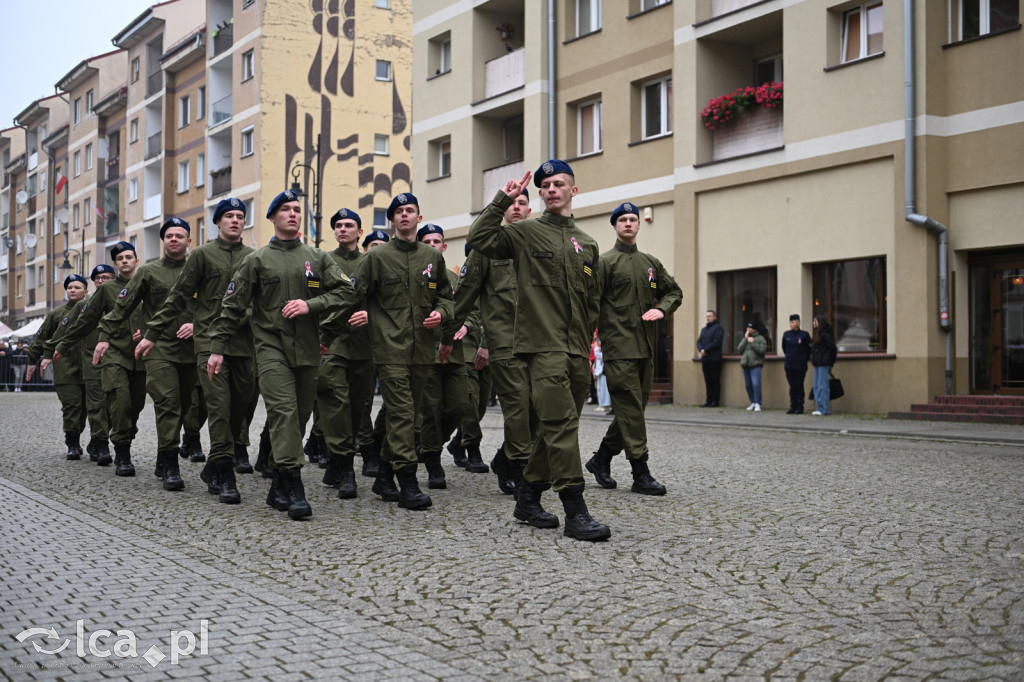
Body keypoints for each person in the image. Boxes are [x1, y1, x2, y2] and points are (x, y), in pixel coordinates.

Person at [465, 160, 610, 542]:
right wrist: (502, 200)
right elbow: (480, 238)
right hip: (541, 348)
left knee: (556, 428)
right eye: (545, 185)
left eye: (559, 183)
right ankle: (575, 510)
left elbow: (591, 302)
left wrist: (588, 344)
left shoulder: (588, 244)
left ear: (573, 191)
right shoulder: (525, 233)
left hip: (577, 349)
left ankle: (527, 497)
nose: (551, 189)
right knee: (561, 425)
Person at [208, 190, 361, 520]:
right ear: (273, 217)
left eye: (296, 209)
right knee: (284, 413)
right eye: (285, 210)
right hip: (270, 348)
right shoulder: (257, 260)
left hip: (308, 350)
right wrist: (217, 348)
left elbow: (347, 291)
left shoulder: (317, 258)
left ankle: (277, 483)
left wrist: (312, 305)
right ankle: (293, 485)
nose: (293, 214)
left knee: (300, 418)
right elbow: (232, 308)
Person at [137, 198, 257, 505]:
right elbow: (177, 297)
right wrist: (152, 334)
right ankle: (225, 473)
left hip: (242, 346)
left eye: (240, 216)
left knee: (240, 407)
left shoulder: (254, 257)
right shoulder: (203, 255)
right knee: (218, 406)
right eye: (228, 216)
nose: (235, 220)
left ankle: (215, 464)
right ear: (217, 222)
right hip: (207, 344)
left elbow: (259, 302)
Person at [338, 193, 453, 510]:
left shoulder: (432, 257)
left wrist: (442, 313)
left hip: (422, 350)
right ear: (392, 219)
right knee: (403, 414)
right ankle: (407, 481)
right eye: (399, 211)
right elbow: (353, 295)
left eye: (410, 210)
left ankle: (384, 475)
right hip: (389, 349)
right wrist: (360, 319)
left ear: (419, 216)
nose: (405, 215)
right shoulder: (376, 258)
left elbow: (446, 296)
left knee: (403, 416)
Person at [585, 201, 682, 495]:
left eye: (633, 219)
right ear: (615, 226)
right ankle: (641, 472)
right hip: (618, 350)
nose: (628, 223)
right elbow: (589, 304)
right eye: (623, 220)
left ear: (639, 225)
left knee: (633, 412)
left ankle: (600, 459)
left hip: (645, 350)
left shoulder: (650, 263)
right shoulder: (604, 263)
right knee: (631, 411)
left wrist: (663, 309)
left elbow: (674, 291)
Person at [97, 218, 196, 492]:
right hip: (159, 348)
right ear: (162, 241)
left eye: (180, 235)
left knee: (186, 405)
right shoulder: (149, 272)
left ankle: (163, 458)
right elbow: (122, 307)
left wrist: (199, 325)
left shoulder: (199, 270)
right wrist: (103, 336)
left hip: (192, 350)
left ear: (189, 241)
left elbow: (216, 304)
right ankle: (171, 463)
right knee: (168, 402)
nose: (174, 239)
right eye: (169, 236)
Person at [449, 189, 533, 496]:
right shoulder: (484, 250)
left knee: (539, 408)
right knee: (517, 409)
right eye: (511, 204)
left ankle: (505, 458)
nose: (516, 208)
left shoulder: (538, 245)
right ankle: (521, 472)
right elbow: (464, 298)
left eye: (522, 203)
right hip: (503, 342)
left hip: (538, 342)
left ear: (530, 210)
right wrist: (449, 337)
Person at [56, 241, 147, 477]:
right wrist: (63, 344)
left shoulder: (149, 283)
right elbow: (85, 321)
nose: (125, 261)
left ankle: (124, 435)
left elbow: (162, 313)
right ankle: (123, 453)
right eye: (120, 259)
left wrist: (147, 331)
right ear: (116, 264)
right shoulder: (107, 290)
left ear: (137, 261)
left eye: (129, 257)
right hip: (114, 354)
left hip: (142, 356)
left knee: (135, 406)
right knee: (120, 401)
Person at [413, 223, 481, 489]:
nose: (432, 245)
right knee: (430, 410)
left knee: (459, 407)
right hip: (426, 354)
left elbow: (473, 309)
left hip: (455, 354)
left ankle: (432, 446)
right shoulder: (415, 276)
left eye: (436, 241)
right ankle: (432, 461)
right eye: (427, 241)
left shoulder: (455, 280)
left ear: (444, 246)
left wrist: (466, 325)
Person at [314, 207, 374, 499]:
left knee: (358, 407)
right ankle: (346, 466)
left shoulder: (370, 261)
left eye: (349, 225)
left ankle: (336, 463)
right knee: (335, 402)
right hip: (331, 344)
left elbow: (384, 301)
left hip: (364, 345)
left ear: (360, 232)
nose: (343, 229)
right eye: (338, 225)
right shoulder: (322, 262)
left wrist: (370, 314)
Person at [25, 274, 90, 459]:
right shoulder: (57, 314)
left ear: (85, 291)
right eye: (70, 287)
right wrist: (32, 359)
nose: (72, 290)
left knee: (87, 408)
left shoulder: (93, 310)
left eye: (77, 287)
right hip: (65, 367)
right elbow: (41, 337)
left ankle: (87, 439)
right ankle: (73, 444)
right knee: (71, 406)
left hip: (89, 366)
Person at [781, 314, 812, 414]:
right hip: (789, 364)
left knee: (799, 385)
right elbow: (784, 348)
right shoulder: (786, 335)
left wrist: (803, 359)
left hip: (800, 365)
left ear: (798, 323)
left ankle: (800, 406)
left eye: (793, 322)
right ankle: (793, 406)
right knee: (792, 386)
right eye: (790, 322)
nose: (791, 324)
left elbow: (809, 349)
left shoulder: (804, 335)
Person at [810, 315, 837, 416]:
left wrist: (831, 361)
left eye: (815, 321)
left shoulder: (825, 334)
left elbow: (832, 348)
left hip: (823, 362)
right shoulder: (817, 334)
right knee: (816, 385)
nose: (813, 323)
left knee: (823, 386)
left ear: (820, 322)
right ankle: (819, 407)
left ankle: (824, 408)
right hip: (817, 362)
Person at [738, 321, 767, 411]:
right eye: (747, 328)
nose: (748, 329)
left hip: (755, 365)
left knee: (756, 384)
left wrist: (753, 343)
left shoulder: (760, 339)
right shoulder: (746, 338)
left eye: (750, 328)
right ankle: (753, 402)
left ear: (754, 329)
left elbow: (762, 351)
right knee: (748, 385)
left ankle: (758, 403)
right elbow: (740, 349)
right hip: (745, 365)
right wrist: (745, 339)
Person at [697, 310, 724, 407]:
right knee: (707, 380)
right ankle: (708, 400)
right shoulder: (704, 330)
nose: (708, 318)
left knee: (715, 380)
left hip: (715, 359)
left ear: (715, 317)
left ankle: (715, 401)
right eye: (707, 316)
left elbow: (716, 342)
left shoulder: (718, 328)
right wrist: (701, 349)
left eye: (710, 316)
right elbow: (699, 341)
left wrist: (706, 350)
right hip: (705, 359)